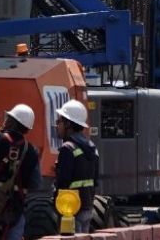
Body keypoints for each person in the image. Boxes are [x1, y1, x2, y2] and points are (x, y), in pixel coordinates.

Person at [0, 104, 41, 240]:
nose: (4, 120)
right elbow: (35, 184)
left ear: (12, 122)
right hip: (15, 211)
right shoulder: (32, 151)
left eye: (8, 118)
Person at [53, 100, 99, 233]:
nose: (57, 126)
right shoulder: (92, 147)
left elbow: (63, 182)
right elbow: (95, 180)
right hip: (87, 207)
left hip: (70, 210)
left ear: (68, 124)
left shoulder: (67, 148)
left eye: (59, 122)